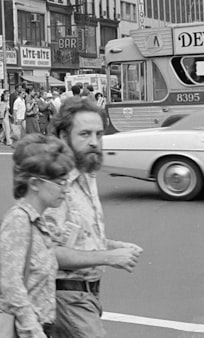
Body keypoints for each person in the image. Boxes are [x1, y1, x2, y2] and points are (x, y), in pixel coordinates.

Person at [47, 98, 143, 337]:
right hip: (65, 298)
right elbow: (47, 252)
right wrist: (109, 257)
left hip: (86, 296)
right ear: (62, 135)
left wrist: (112, 245)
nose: (94, 142)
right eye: (85, 134)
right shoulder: (54, 183)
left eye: (99, 134)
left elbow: (78, 235)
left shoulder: (86, 173)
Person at [0, 133, 73, 338]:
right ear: (35, 183)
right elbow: (12, 287)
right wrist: (35, 332)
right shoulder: (18, 221)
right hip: (24, 331)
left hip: (42, 326)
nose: (66, 189)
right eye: (60, 182)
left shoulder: (39, 221)